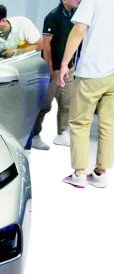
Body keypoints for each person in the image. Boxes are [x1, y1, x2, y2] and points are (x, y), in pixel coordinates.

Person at [58, 0, 114, 188]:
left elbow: (79, 30)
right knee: (109, 124)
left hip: (92, 71)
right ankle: (100, 174)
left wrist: (64, 64)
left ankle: (79, 174)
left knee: (80, 123)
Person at [28, 0, 81, 151]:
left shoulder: (74, 15)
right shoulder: (53, 16)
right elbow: (46, 44)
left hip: (68, 67)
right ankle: (34, 135)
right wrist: (49, 67)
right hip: (54, 67)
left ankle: (62, 133)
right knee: (44, 104)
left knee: (67, 102)